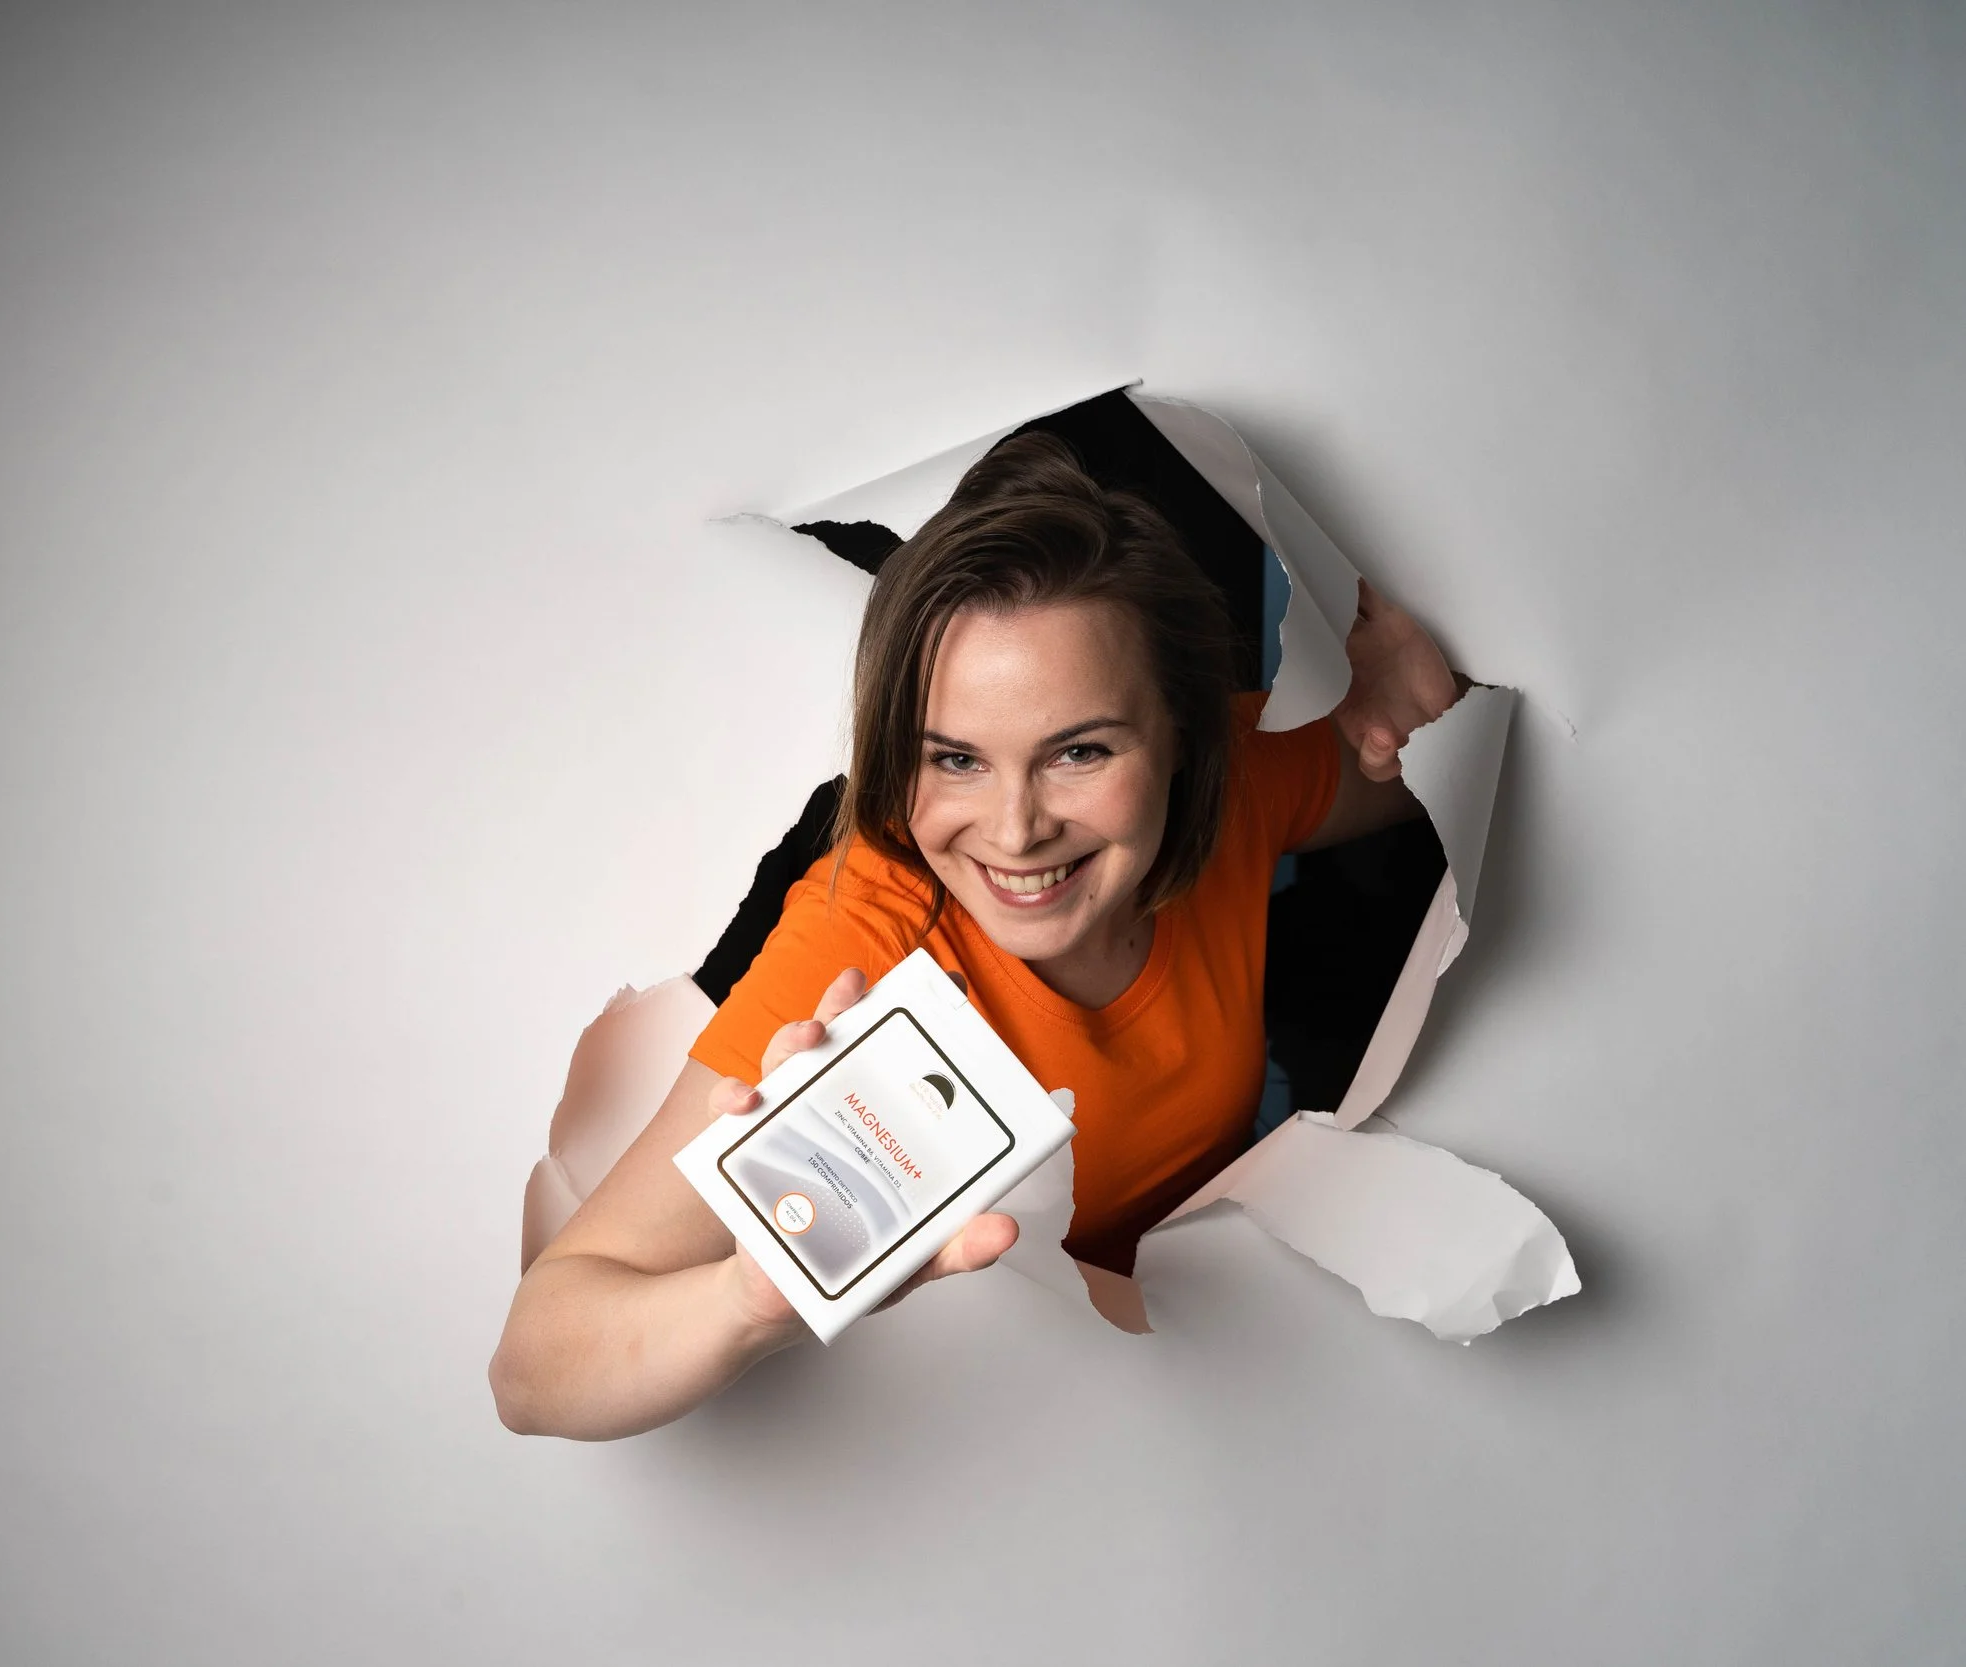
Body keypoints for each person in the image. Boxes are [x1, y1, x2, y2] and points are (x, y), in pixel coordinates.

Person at [490, 432, 1461, 1440]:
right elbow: (535, 1363)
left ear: (1182, 737)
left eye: (1078, 751)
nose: (1014, 830)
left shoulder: (1230, 794)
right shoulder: (859, 946)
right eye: (953, 758)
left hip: (1211, 1376)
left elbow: (1444, 765)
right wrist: (754, 1297)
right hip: (1010, 1442)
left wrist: (1414, 683)